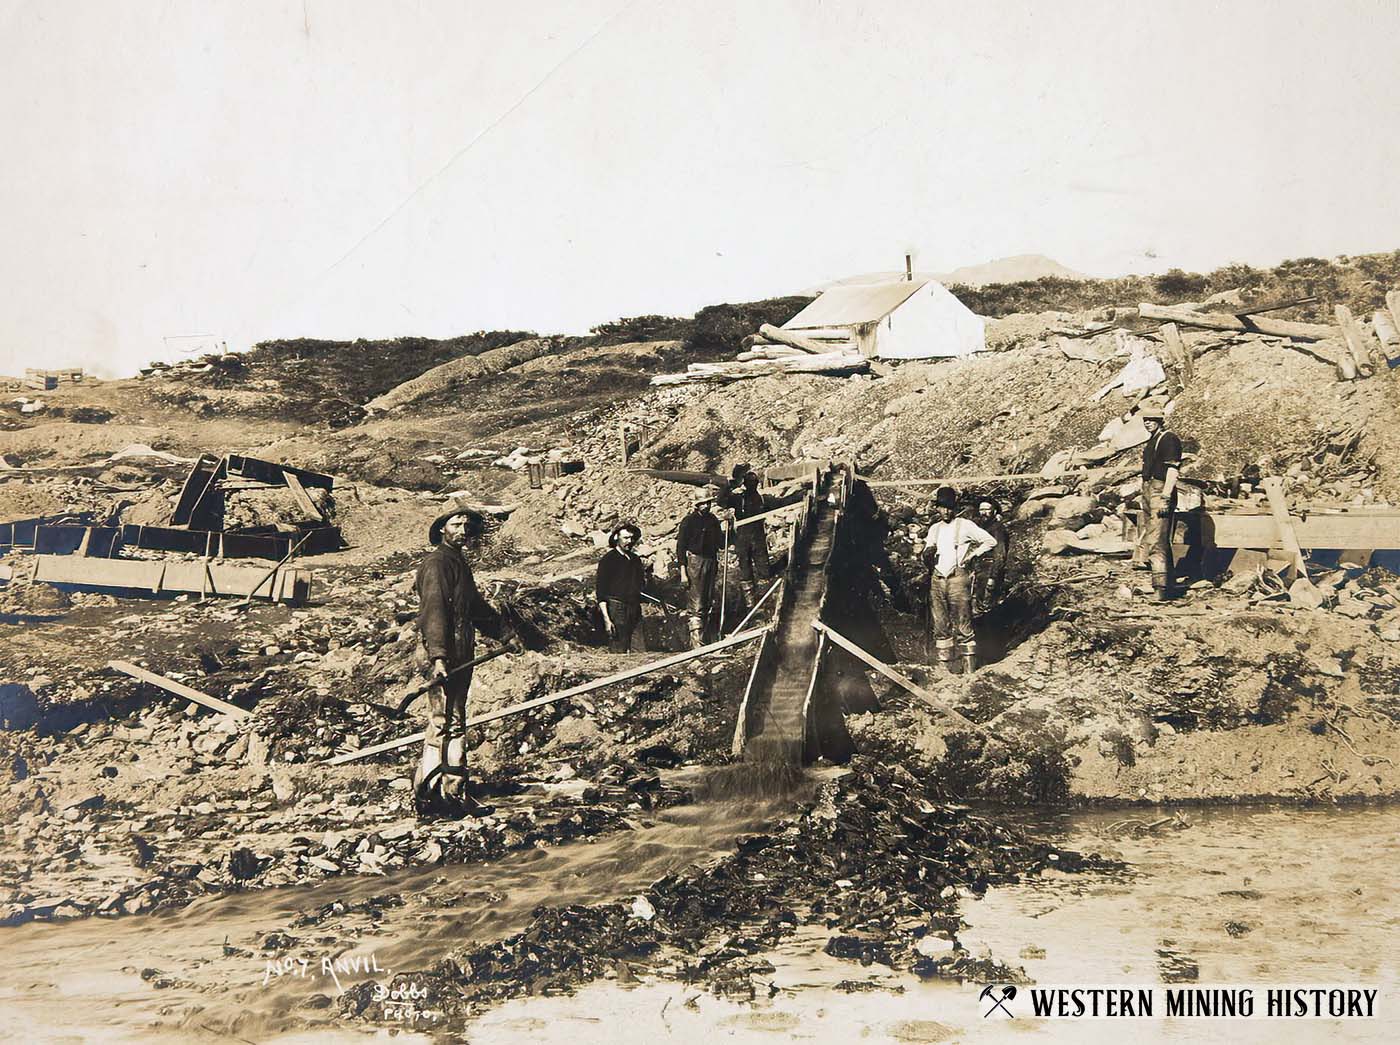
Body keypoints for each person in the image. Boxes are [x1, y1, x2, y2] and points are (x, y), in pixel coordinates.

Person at [413, 506, 502, 818]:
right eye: (455, 524)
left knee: (454, 721)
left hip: (460, 650)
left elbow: (475, 607)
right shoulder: (437, 564)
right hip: (441, 654)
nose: (462, 530)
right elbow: (434, 611)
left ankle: (453, 792)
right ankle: (429, 796)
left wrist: (505, 634)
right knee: (441, 723)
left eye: (466, 525)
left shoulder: (458, 562)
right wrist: (438, 657)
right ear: (441, 529)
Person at [922, 486, 998, 674]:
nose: (946, 511)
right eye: (942, 507)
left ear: (954, 508)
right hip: (937, 578)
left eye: (949, 508)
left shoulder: (964, 525)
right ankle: (944, 671)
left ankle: (970, 673)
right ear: (937, 508)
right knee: (940, 624)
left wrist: (972, 555)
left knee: (963, 623)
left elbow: (990, 541)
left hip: (957, 578)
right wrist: (926, 554)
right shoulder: (934, 529)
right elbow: (929, 548)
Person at [1135, 403, 1183, 601]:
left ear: (1160, 421)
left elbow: (1173, 470)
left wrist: (1165, 497)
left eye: (1152, 420)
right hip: (1149, 490)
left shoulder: (1169, 439)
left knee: (1156, 540)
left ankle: (1159, 589)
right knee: (1157, 539)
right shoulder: (1152, 440)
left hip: (1159, 491)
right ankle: (1167, 584)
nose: (1148, 423)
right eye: (1145, 420)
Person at [676, 485, 724, 648]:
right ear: (696, 504)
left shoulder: (713, 520)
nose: (707, 505)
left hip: (711, 561)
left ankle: (706, 641)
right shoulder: (689, 521)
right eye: (703, 503)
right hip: (695, 563)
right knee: (696, 603)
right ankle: (697, 645)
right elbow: (680, 548)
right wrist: (683, 572)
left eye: (709, 502)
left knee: (707, 600)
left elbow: (721, 543)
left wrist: (731, 527)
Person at [595, 521, 650, 652]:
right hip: (617, 607)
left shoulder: (635, 559)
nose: (629, 541)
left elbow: (641, 584)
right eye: (625, 538)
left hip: (634, 607)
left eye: (632, 538)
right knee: (618, 648)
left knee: (640, 649)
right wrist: (607, 619)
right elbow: (601, 592)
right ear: (616, 538)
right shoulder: (608, 560)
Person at [730, 469, 773, 609]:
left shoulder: (761, 498)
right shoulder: (739, 499)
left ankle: (765, 600)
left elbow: (779, 502)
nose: (753, 486)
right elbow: (722, 500)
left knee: (762, 567)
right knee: (746, 569)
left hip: (757, 537)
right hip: (743, 537)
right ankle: (751, 605)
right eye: (751, 483)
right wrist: (730, 484)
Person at [970, 498, 1010, 614]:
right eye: (981, 509)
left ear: (994, 511)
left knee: (987, 606)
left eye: (987, 509)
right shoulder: (981, 527)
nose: (983, 512)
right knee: (977, 605)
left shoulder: (998, 528)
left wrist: (993, 577)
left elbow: (1000, 554)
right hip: (979, 570)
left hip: (990, 569)